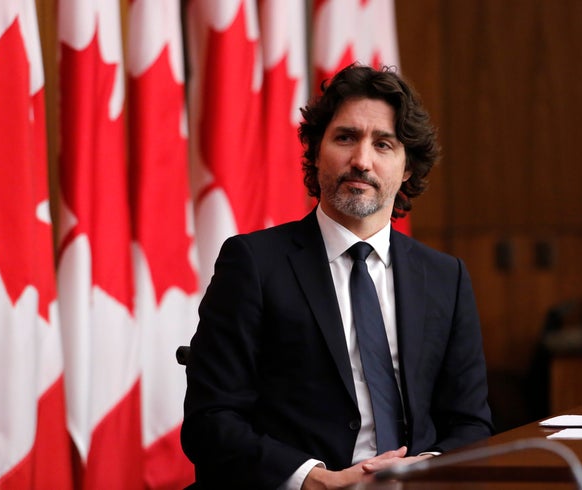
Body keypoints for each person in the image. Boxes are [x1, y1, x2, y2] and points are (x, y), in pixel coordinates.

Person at [181, 63, 493, 490]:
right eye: (345, 138)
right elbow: (210, 421)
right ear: (315, 151)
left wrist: (426, 470)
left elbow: (471, 422)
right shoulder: (252, 263)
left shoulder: (445, 278)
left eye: (383, 144)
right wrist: (314, 479)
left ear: (406, 168)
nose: (361, 160)